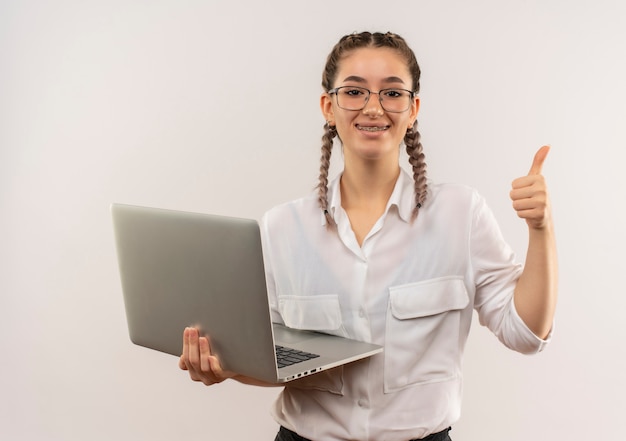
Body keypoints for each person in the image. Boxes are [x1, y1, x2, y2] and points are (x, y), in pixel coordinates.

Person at [179, 31, 558, 441]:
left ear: (413, 109)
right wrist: (227, 368)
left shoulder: (461, 214)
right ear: (329, 106)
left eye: (392, 93)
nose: (373, 107)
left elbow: (526, 333)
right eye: (355, 91)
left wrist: (541, 229)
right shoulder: (281, 228)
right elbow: (271, 362)